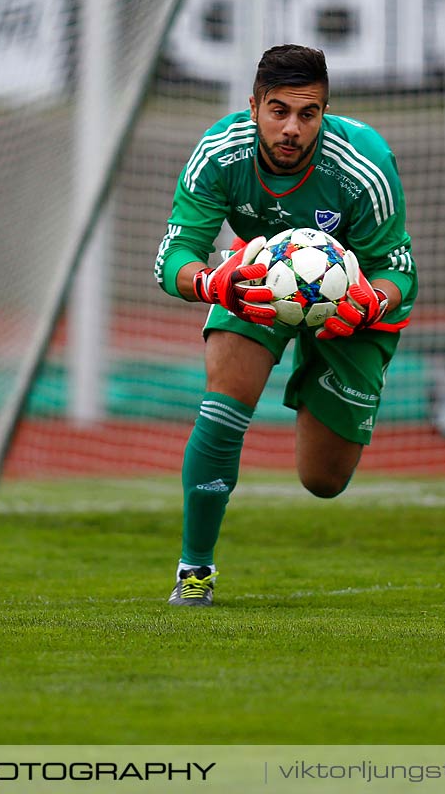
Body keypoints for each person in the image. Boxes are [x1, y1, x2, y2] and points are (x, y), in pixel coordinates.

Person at [153, 44, 416, 606]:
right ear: (253, 107)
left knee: (323, 480)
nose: (292, 128)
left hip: (353, 300)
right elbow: (173, 258)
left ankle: (325, 387)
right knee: (224, 397)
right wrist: (211, 283)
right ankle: (194, 571)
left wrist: (371, 303)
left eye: (308, 113)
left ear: (325, 111)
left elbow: (399, 270)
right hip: (255, 280)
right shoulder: (220, 154)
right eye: (278, 112)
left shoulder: (362, 162)